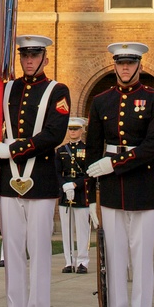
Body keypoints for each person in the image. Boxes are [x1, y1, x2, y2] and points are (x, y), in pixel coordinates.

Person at [0, 34, 71, 307]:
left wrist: (14, 148)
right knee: (13, 255)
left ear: (44, 58)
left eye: (34, 56)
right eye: (24, 56)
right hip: (7, 183)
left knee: (39, 253)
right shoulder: (8, 89)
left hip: (40, 181)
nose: (29, 61)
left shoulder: (57, 91)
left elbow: (54, 134)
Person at [86, 41, 154, 307]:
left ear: (140, 66)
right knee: (116, 262)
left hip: (143, 189)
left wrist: (115, 164)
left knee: (141, 263)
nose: (124, 68)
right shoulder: (100, 101)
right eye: (120, 63)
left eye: (130, 63)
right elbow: (92, 151)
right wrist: (87, 196)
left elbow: (153, 146)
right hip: (108, 190)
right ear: (114, 66)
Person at [57, 116, 92, 275]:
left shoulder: (87, 149)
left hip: (80, 193)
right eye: (70, 129)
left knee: (82, 229)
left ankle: (83, 261)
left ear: (82, 130)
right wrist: (64, 184)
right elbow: (56, 172)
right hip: (65, 193)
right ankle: (69, 261)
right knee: (67, 229)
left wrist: (75, 184)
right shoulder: (61, 150)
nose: (72, 132)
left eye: (75, 129)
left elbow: (89, 173)